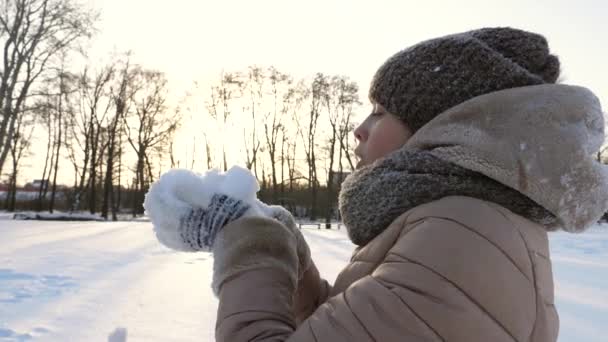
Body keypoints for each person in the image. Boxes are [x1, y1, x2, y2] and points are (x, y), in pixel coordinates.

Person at [145, 27, 608, 341]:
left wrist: (248, 246)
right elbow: (349, 324)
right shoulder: (463, 218)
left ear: (444, 123)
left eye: (381, 111)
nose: (360, 129)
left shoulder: (462, 233)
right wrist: (279, 240)